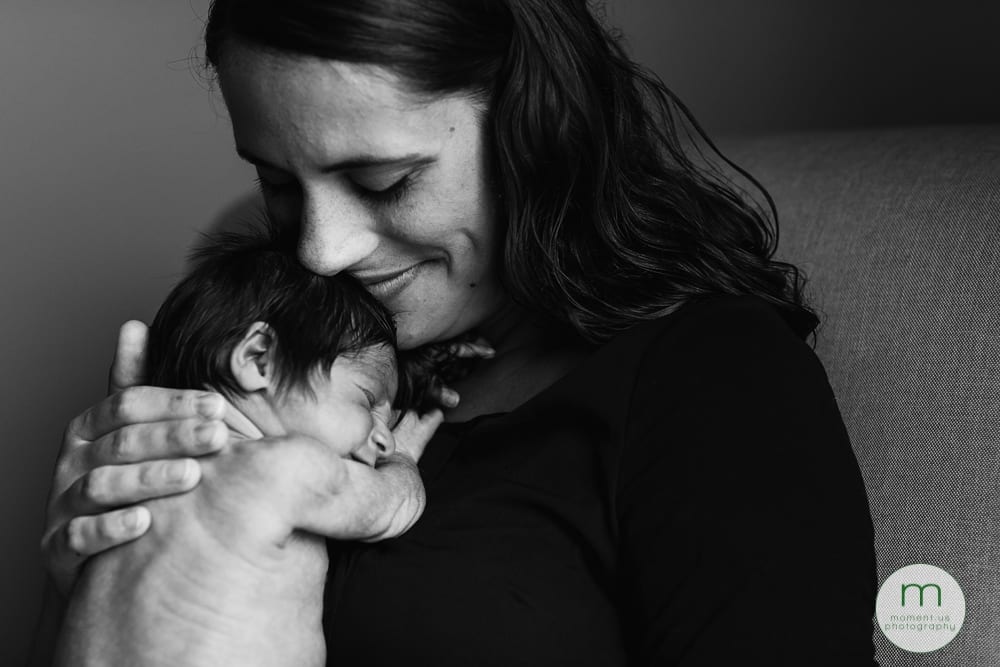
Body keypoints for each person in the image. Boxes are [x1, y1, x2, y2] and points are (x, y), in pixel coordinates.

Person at [35, 1, 878, 664]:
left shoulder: (712, 380)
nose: (321, 249)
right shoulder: (269, 343)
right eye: (278, 183)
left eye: (384, 181)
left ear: (532, 129)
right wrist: (87, 563)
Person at [53, 228, 456, 666]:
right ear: (258, 358)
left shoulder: (128, 484)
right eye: (367, 400)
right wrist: (402, 458)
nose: (383, 435)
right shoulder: (283, 468)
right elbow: (392, 508)